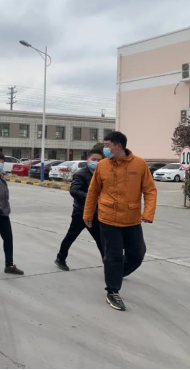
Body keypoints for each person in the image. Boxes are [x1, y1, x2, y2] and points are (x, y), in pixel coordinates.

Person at [84, 132, 157, 312]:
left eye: (107, 145)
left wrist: (148, 212)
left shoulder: (139, 164)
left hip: (132, 219)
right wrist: (87, 214)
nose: (105, 148)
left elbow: (150, 190)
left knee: (137, 254)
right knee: (114, 256)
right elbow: (93, 191)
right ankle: (112, 291)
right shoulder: (102, 166)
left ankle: (115, 273)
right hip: (108, 218)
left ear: (118, 146)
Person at [55, 149, 105, 271]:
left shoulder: (102, 173)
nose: (96, 162)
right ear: (88, 159)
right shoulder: (81, 174)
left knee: (101, 240)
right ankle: (60, 258)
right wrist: (91, 197)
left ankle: (110, 265)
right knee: (71, 236)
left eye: (99, 160)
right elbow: (74, 191)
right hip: (81, 212)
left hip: (96, 212)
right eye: (94, 159)